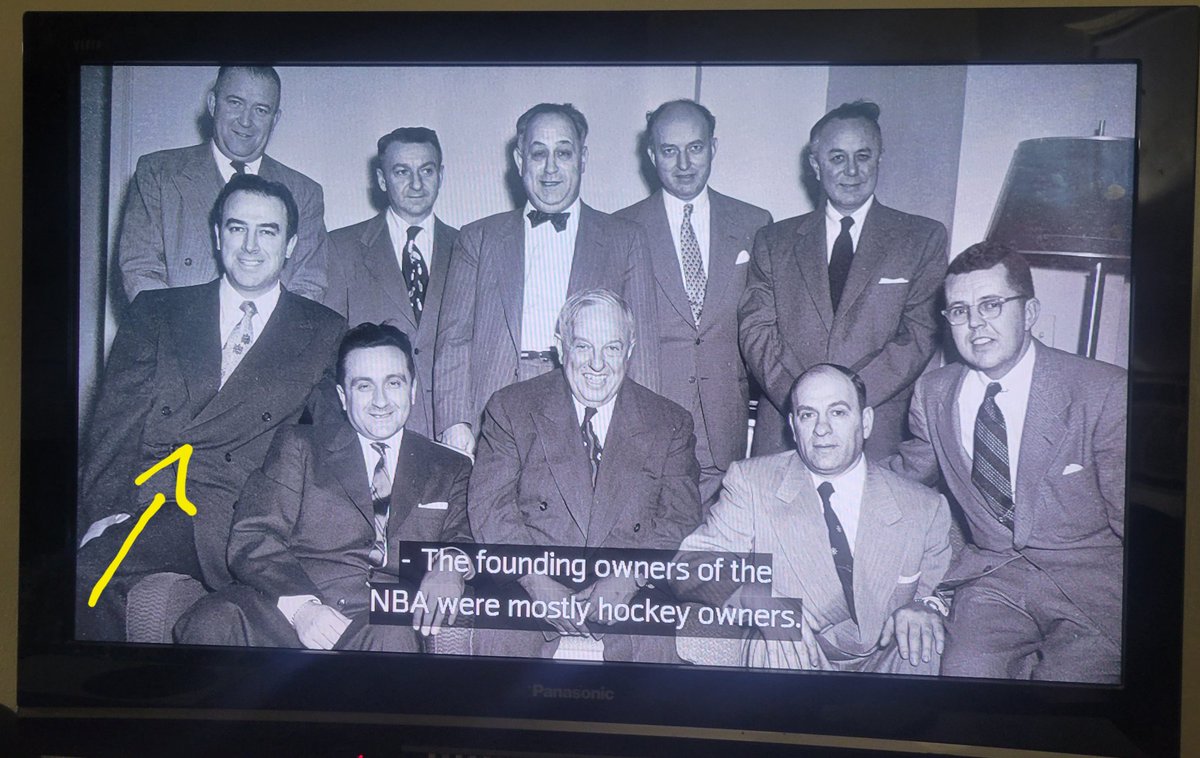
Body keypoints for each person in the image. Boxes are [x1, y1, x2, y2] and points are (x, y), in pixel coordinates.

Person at [77, 173, 346, 640]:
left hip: (245, 519)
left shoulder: (323, 331)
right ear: (217, 235)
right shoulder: (157, 311)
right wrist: (102, 513)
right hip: (155, 501)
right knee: (81, 580)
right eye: (237, 228)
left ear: (291, 245)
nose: (250, 246)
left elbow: (325, 451)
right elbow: (113, 427)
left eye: (268, 231)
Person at [888, 242, 1126, 683]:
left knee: (1070, 698)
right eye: (958, 311)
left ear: (1030, 312)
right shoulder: (933, 393)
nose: (975, 324)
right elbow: (905, 478)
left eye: (991, 305)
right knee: (963, 681)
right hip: (994, 579)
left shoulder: (1103, 391)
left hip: (1093, 586)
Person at [174, 323, 473, 651]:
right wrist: (302, 607)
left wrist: (452, 563)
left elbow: (462, 537)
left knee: (394, 638)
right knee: (212, 620)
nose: (380, 401)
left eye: (394, 383)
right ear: (343, 397)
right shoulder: (300, 445)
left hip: (379, 621)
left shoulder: (450, 465)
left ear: (413, 390)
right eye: (363, 386)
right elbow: (254, 536)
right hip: (289, 610)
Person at [468, 288, 701, 661]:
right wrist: (535, 582)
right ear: (561, 348)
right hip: (529, 580)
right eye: (582, 347)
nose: (597, 364)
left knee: (653, 654)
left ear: (629, 349)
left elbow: (680, 516)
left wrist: (630, 576)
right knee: (498, 642)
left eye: (611, 348)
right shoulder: (511, 407)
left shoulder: (670, 422)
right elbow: (490, 506)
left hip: (630, 585)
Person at [674, 364, 951, 674]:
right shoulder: (753, 483)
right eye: (808, 415)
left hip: (883, 657)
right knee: (776, 646)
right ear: (793, 427)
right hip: (793, 651)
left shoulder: (924, 507)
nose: (821, 429)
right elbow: (692, 564)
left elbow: (944, 588)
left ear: (866, 421)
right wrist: (765, 605)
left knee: (921, 643)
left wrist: (926, 607)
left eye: (838, 413)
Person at [434, 103, 659, 456]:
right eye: (538, 154)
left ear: (582, 158)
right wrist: (454, 422)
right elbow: (453, 341)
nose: (551, 168)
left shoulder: (625, 239)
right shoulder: (478, 238)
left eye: (563, 153)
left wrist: (638, 435)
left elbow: (640, 349)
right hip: (494, 410)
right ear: (519, 159)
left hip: (588, 405)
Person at [739, 100, 947, 459]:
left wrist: (847, 405)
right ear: (815, 165)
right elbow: (756, 329)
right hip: (786, 433)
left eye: (863, 156)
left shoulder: (921, 238)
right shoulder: (773, 241)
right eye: (837, 158)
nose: (852, 170)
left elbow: (918, 334)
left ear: (879, 159)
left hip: (874, 432)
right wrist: (804, 404)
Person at [615, 100, 772, 505]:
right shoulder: (618, 228)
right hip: (649, 425)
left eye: (696, 148)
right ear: (651, 155)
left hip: (726, 426)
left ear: (713, 147)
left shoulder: (755, 224)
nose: (684, 163)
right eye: (669, 150)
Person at [117, 65, 328, 302]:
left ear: (275, 118)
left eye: (260, 109)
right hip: (178, 333)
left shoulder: (305, 192)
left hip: (274, 337)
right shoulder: (159, 173)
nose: (246, 121)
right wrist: (180, 334)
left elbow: (309, 284)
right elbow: (140, 270)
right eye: (235, 103)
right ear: (212, 104)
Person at [324, 127, 458, 439]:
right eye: (401, 172)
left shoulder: (469, 247)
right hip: (370, 427)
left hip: (449, 430)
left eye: (426, 170)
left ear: (441, 175)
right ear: (382, 180)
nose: (415, 184)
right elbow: (328, 354)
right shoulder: (341, 247)